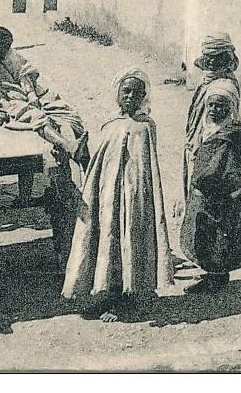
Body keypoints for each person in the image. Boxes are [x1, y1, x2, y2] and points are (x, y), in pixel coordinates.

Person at [63, 67, 172, 321]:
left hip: (132, 197)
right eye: (126, 91)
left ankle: (127, 299)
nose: (131, 97)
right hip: (106, 197)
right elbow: (101, 161)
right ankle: (108, 294)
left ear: (145, 96)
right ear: (117, 93)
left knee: (128, 240)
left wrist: (131, 194)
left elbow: (145, 169)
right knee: (107, 242)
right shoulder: (109, 123)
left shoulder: (144, 127)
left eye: (138, 92)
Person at [0, 22, 90, 169]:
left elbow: (23, 73)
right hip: (7, 99)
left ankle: (88, 171)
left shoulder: (6, 52)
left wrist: (32, 96)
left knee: (67, 116)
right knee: (37, 116)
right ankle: (69, 146)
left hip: (33, 92)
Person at [180, 78, 241, 294]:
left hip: (223, 191)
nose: (214, 109)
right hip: (206, 189)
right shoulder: (206, 127)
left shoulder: (231, 133)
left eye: (220, 105)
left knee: (220, 233)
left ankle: (217, 277)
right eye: (211, 104)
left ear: (230, 107)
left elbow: (229, 167)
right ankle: (210, 273)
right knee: (204, 230)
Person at [184, 33, 239, 193]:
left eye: (218, 56)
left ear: (227, 57)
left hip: (213, 146)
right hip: (196, 140)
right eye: (209, 56)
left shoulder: (225, 85)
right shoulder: (205, 79)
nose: (213, 61)